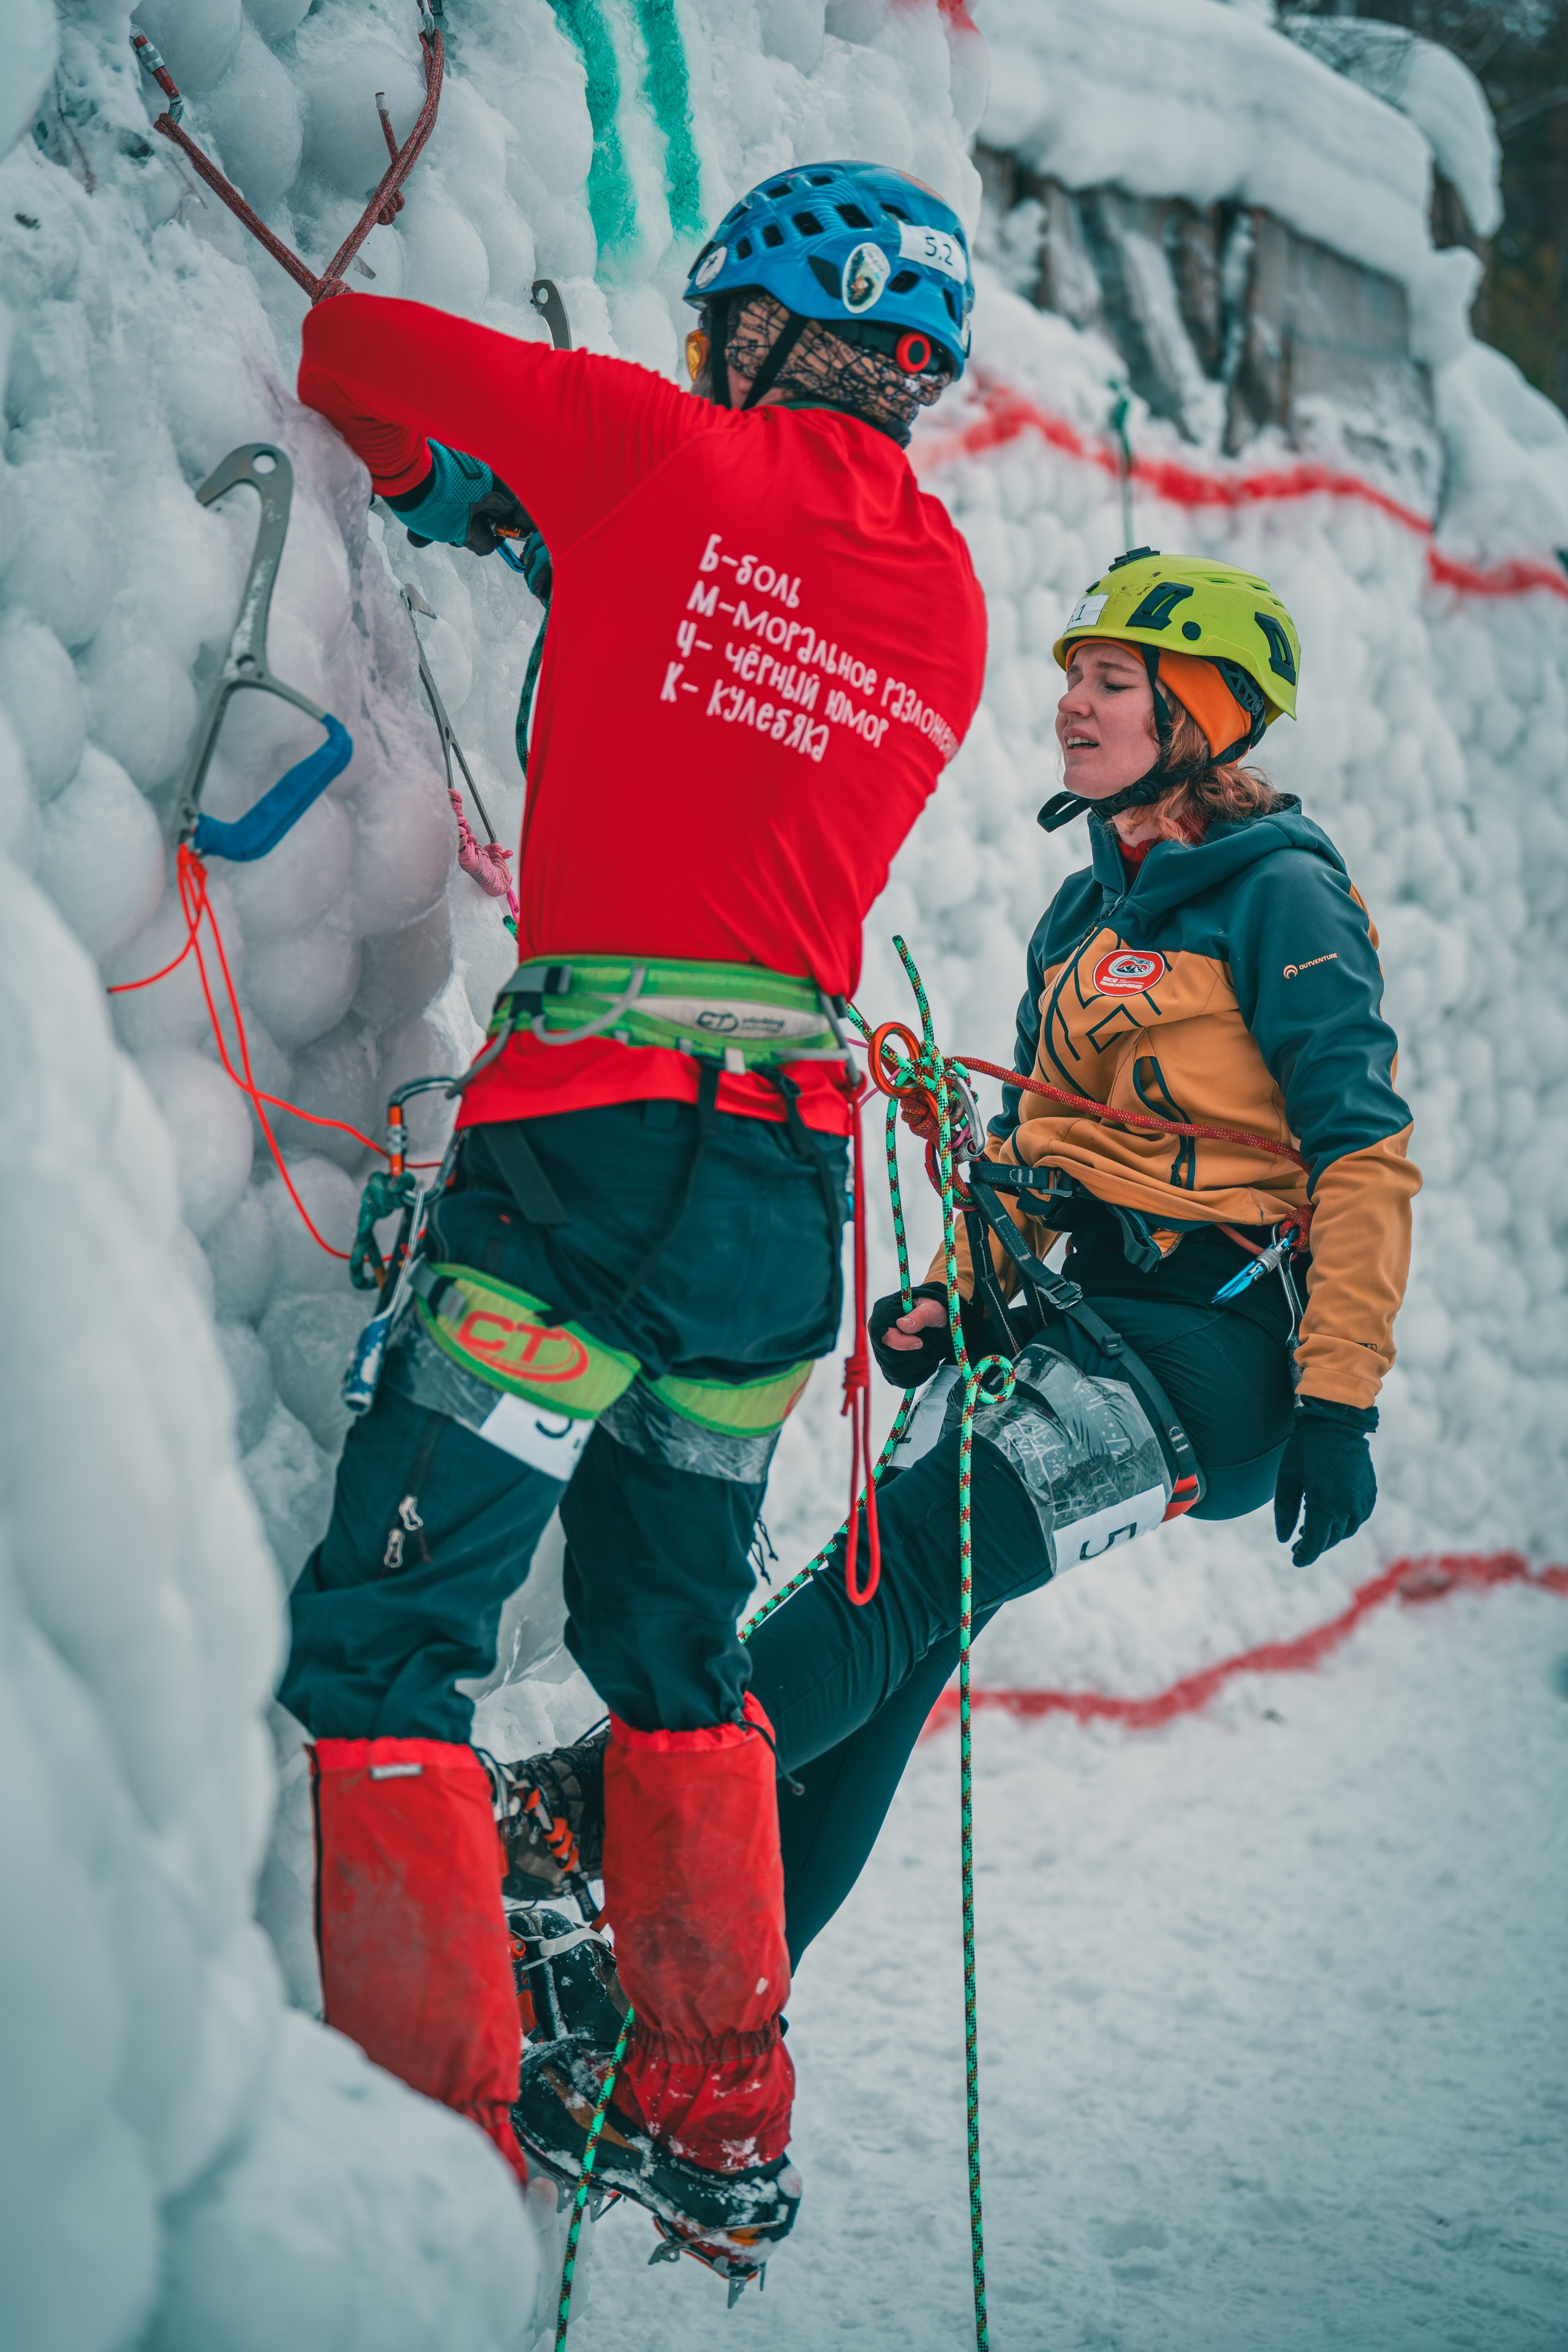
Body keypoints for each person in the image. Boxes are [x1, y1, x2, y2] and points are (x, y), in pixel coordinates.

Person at [277, 161, 986, 2275]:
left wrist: (437, 472)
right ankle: (714, 2113)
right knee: (676, 1641)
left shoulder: (650, 449)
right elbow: (740, 688)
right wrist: (573, 530)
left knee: (390, 1643)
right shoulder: (944, 585)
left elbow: (352, 358)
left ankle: (436, 2162)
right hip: (779, 1195)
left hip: (585, 1149)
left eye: (716, 333)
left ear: (760, 327)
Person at [508, 548, 1420, 1990]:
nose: (1069, 701)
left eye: (1109, 681)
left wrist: (1338, 1402)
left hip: (1216, 1348)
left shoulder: (1279, 896)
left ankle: (581, 1814)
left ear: (1200, 714)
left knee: (901, 1571)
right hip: (1077, 1321)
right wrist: (960, 1284)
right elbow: (1037, 1161)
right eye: (1069, 675)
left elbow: (1361, 1152)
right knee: (899, 1627)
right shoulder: (1078, 919)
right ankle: (692, 2034)